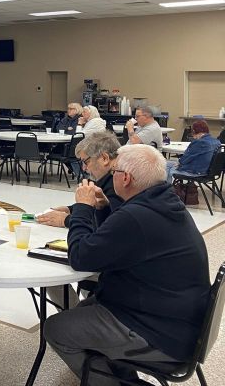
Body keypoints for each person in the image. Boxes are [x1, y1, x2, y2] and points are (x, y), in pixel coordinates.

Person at [44, 144, 209, 385]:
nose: (111, 176)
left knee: (56, 328)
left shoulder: (136, 216)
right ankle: (115, 372)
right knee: (81, 311)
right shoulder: (163, 204)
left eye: (114, 172)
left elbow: (81, 257)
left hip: (156, 332)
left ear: (126, 178)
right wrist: (104, 207)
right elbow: (120, 238)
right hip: (176, 319)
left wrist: (82, 208)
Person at [37, 131, 123, 228]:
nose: (84, 168)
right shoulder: (108, 178)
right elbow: (96, 205)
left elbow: (108, 223)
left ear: (104, 158)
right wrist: (70, 209)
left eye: (86, 162)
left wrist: (65, 220)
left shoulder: (119, 182)